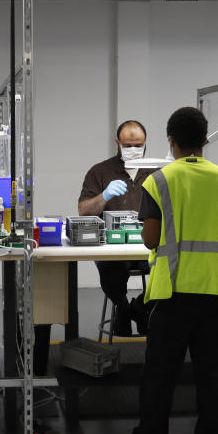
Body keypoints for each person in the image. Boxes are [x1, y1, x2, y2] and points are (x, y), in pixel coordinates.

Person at [116, 107, 218, 434]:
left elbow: (152, 238)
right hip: (215, 291)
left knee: (159, 377)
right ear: (205, 140)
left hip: (173, 293)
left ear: (170, 140)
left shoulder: (160, 181)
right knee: (210, 377)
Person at [78, 120, 155, 336]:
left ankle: (141, 306)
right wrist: (104, 196)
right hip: (112, 248)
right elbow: (83, 211)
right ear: (117, 143)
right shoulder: (100, 172)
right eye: (127, 145)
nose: (133, 150)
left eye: (138, 145)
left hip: (148, 244)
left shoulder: (157, 172)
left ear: (146, 143)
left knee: (169, 268)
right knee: (113, 270)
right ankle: (122, 308)